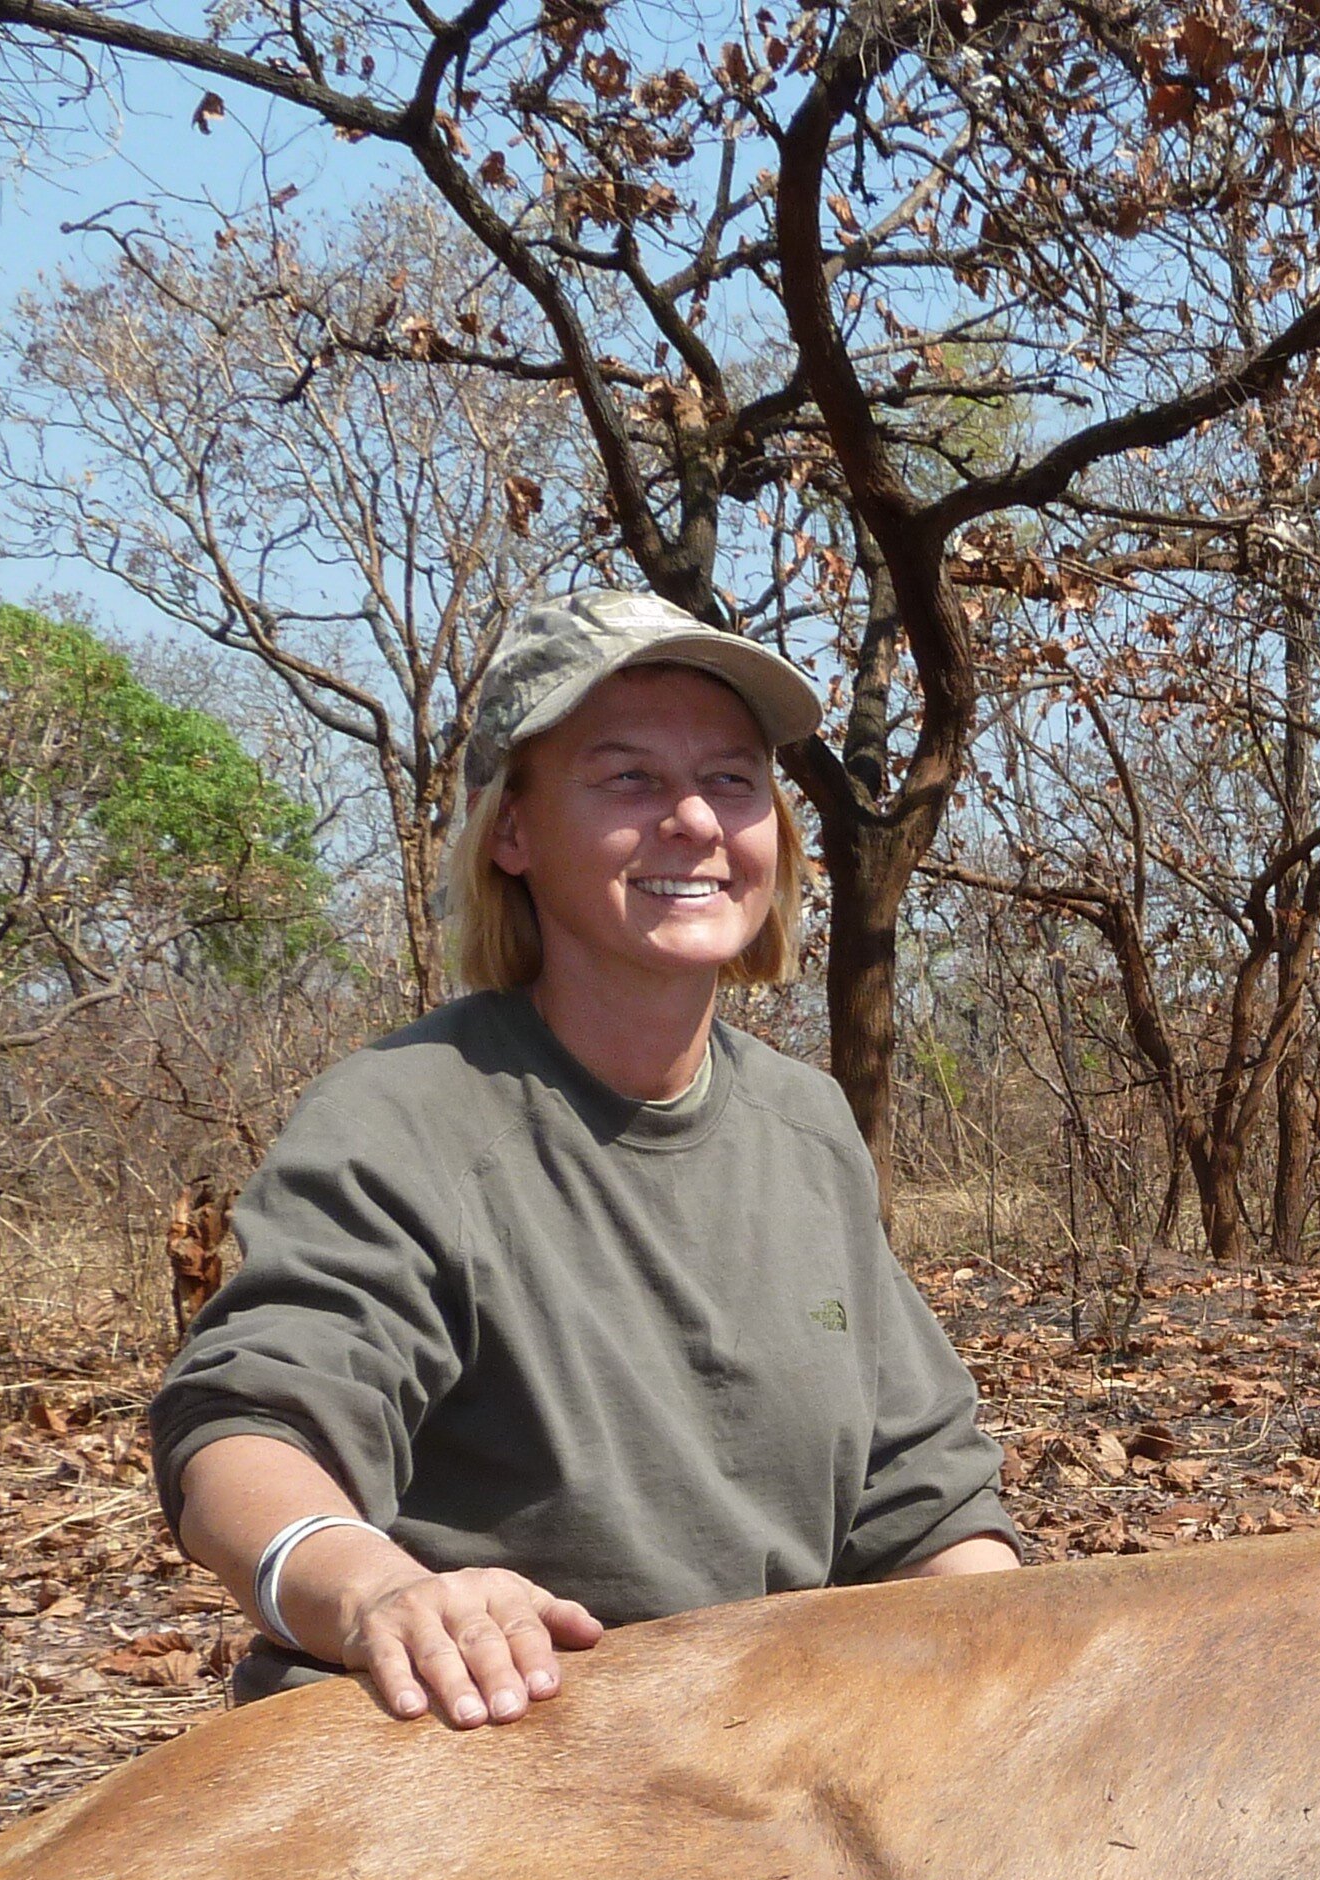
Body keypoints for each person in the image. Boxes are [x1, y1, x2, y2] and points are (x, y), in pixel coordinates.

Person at [151, 588, 1020, 1726]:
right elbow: (248, 1427)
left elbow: (924, 1502)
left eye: (731, 780)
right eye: (629, 780)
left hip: (760, 1740)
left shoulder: (806, 1126)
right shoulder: (404, 1115)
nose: (696, 822)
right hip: (492, 1741)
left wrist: (1008, 1681)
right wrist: (373, 1593)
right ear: (511, 832)